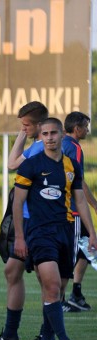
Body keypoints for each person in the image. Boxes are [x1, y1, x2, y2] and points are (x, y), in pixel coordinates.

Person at [12, 117, 97, 340]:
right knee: (50, 286)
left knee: (58, 289)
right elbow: (18, 203)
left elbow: (80, 199)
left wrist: (92, 232)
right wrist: (19, 237)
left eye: (53, 133)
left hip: (66, 231)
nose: (49, 138)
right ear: (41, 136)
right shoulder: (30, 165)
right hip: (39, 232)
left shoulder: (71, 165)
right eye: (45, 134)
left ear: (62, 135)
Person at [0, 101, 48, 340]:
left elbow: (12, 163)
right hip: (24, 220)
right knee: (12, 271)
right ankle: (10, 334)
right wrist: (24, 134)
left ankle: (47, 333)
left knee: (46, 278)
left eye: (26, 125)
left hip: (38, 222)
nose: (23, 129)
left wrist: (23, 136)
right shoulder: (35, 145)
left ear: (39, 125)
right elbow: (12, 162)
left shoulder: (42, 147)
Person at [62, 112, 97, 311]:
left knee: (87, 249)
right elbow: (78, 181)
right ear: (77, 128)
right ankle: (61, 300)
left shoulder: (63, 144)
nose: (87, 130)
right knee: (74, 253)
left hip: (68, 209)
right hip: (73, 210)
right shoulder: (73, 147)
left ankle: (75, 293)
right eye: (85, 126)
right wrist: (93, 204)